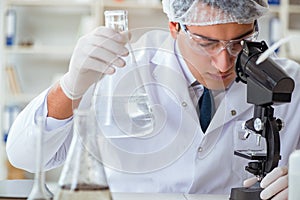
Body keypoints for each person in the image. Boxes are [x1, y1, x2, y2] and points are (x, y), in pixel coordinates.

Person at [6, 0, 300, 199]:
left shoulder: (290, 83)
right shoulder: (121, 70)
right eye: (206, 43)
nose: (223, 62)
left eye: (240, 41)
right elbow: (26, 157)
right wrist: (70, 87)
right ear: (175, 26)